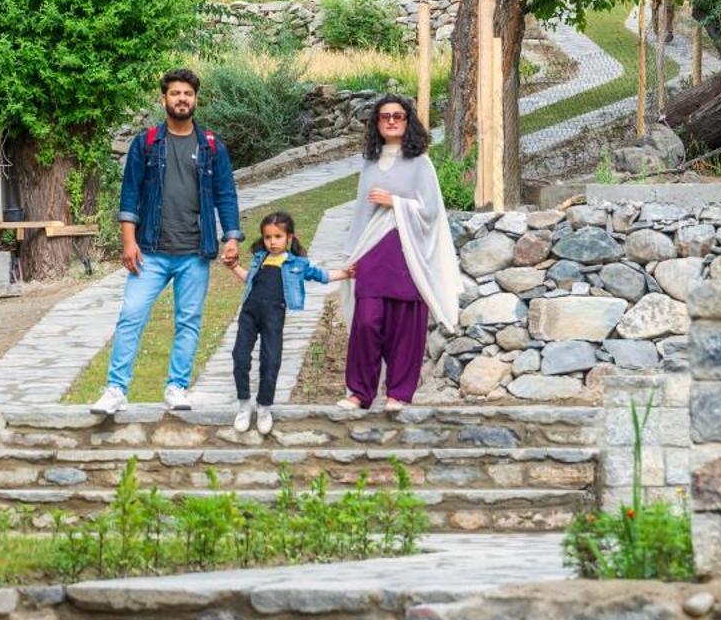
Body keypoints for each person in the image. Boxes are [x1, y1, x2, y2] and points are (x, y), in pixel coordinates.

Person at [98, 68, 241, 414]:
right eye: (175, 93)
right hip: (150, 251)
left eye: (188, 94)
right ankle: (116, 389)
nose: (182, 99)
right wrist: (128, 242)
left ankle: (177, 387)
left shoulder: (210, 146)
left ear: (196, 99)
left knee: (189, 321)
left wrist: (231, 237)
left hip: (194, 252)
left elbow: (226, 194)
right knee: (131, 315)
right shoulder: (146, 143)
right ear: (163, 99)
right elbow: (130, 194)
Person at [338, 95, 461, 410]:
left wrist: (396, 203)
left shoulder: (420, 162)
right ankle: (360, 392)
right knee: (367, 321)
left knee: (405, 324)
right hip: (372, 250)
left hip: (406, 253)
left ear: (408, 121)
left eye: (398, 116)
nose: (391, 121)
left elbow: (432, 210)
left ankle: (398, 393)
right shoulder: (369, 164)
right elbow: (360, 213)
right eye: (384, 117)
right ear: (376, 124)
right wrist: (351, 254)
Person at [227, 210, 348, 435]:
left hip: (273, 316)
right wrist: (234, 267)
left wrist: (345, 273)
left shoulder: (296, 264)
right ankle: (244, 404)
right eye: (268, 237)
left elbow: (320, 275)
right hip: (249, 313)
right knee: (239, 356)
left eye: (277, 236)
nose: (272, 242)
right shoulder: (259, 259)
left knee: (270, 361)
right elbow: (249, 281)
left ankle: (264, 407)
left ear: (289, 237)